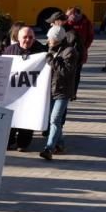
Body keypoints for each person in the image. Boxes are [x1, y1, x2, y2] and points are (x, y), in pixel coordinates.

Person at [3, 24, 46, 152]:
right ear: (18, 38)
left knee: (27, 118)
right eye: (25, 37)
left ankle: (23, 143)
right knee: (10, 118)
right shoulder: (10, 51)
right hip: (12, 93)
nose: (28, 40)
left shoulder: (41, 51)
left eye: (31, 37)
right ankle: (8, 142)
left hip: (30, 93)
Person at [39, 22, 79, 161]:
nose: (48, 41)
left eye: (50, 38)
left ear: (57, 38)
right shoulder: (50, 49)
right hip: (49, 90)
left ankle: (48, 148)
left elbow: (66, 71)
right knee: (51, 119)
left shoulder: (70, 52)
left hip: (62, 91)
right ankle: (60, 143)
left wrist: (52, 61)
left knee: (55, 119)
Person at [65, 6, 94, 94]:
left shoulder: (86, 22)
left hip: (80, 52)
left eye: (70, 14)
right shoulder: (65, 23)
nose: (70, 16)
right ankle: (67, 91)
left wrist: (84, 47)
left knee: (76, 73)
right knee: (66, 73)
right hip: (66, 52)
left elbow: (90, 37)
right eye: (68, 14)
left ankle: (73, 93)